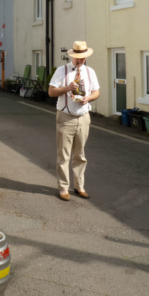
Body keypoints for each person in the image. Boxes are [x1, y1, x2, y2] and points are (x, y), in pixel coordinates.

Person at [49, 41, 100, 201]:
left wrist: (88, 98)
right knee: (63, 156)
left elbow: (96, 92)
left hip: (84, 117)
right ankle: (63, 188)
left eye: (83, 58)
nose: (80, 61)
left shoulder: (90, 72)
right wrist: (67, 88)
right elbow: (51, 92)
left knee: (80, 155)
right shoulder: (61, 71)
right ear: (72, 56)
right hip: (65, 118)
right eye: (77, 58)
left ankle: (79, 186)